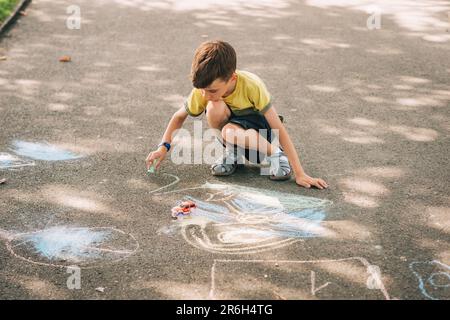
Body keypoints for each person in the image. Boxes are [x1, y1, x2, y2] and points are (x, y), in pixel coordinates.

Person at [145, 40, 328, 189]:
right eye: (202, 90)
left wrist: (300, 172)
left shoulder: (251, 85)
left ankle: (277, 156)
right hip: (237, 133)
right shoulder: (205, 89)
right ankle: (233, 154)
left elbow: (277, 126)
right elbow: (179, 117)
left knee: (228, 130)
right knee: (214, 107)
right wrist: (163, 147)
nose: (205, 95)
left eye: (212, 90)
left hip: (264, 139)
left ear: (232, 78)